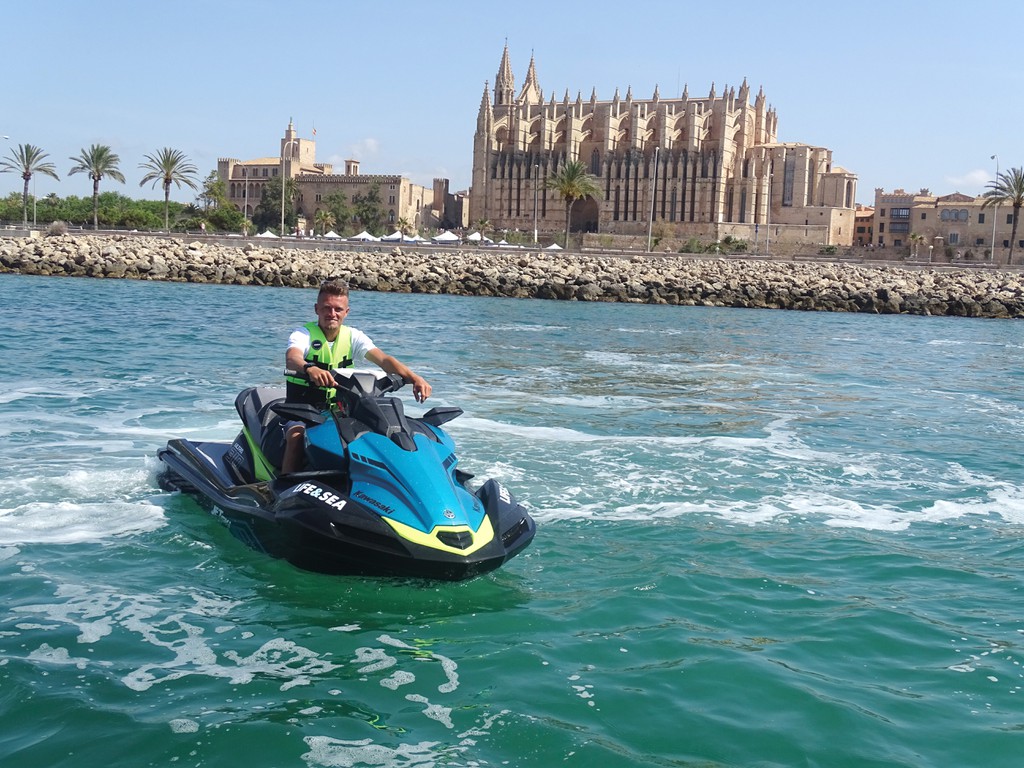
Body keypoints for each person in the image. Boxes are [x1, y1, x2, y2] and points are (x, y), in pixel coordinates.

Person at [280, 279, 432, 473]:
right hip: (301, 410)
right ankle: (284, 485)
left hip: (339, 410)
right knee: (296, 436)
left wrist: (414, 378)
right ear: (317, 309)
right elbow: (292, 358)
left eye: (338, 309)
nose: (332, 314)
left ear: (346, 312)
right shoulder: (303, 334)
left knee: (376, 431)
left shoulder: (353, 336)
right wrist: (310, 368)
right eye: (326, 308)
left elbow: (384, 360)